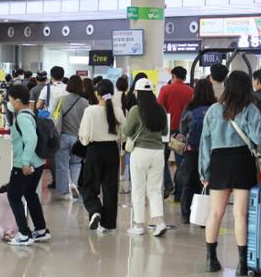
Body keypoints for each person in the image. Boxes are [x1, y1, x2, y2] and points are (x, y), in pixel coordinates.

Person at [200, 71, 261, 274]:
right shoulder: (250, 109)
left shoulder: (213, 110)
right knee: (240, 214)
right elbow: (260, 137)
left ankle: (211, 260)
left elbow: (205, 144)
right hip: (242, 161)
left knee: (215, 213)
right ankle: (243, 263)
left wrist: (204, 172)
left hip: (219, 162)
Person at [5, 84, 51, 246]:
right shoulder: (29, 114)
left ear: (17, 101)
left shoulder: (22, 117)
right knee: (30, 194)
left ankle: (24, 233)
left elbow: (31, 139)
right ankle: (40, 229)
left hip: (25, 165)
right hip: (37, 162)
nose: (9, 103)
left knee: (13, 196)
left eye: (10, 100)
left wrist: (24, 162)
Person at [123, 78, 169, 237]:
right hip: (158, 152)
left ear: (138, 93)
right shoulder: (160, 109)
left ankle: (138, 225)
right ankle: (159, 222)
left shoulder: (136, 110)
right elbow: (164, 132)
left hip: (140, 152)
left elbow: (127, 131)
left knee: (138, 189)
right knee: (155, 189)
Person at [78, 80, 123, 232]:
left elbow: (84, 135)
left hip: (94, 150)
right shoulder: (117, 110)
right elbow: (123, 132)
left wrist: (84, 143)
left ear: (97, 94)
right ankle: (108, 223)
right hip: (112, 150)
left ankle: (95, 210)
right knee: (110, 188)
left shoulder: (90, 111)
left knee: (89, 187)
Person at [178, 79, 217, 224]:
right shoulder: (215, 107)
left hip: (191, 150)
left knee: (188, 181)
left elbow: (183, 129)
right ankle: (205, 216)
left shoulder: (190, 107)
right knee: (206, 182)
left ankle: (186, 214)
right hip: (210, 150)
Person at [158, 66, 193, 201]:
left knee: (161, 160)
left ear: (173, 76)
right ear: (184, 77)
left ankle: (168, 184)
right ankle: (179, 195)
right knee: (181, 164)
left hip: (167, 131)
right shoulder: (190, 91)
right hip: (182, 133)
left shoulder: (166, 90)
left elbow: (159, 108)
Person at [52, 75, 89, 200]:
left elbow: (55, 118)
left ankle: (63, 191)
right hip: (78, 138)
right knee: (76, 163)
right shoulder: (85, 103)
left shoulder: (60, 100)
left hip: (63, 137)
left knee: (61, 165)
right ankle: (74, 184)